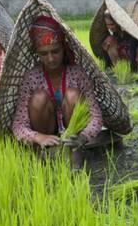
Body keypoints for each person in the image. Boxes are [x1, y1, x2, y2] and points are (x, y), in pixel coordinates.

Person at [12, 15, 103, 149]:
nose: (50, 59)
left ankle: (74, 149)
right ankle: (46, 150)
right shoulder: (32, 77)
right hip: (46, 131)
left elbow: (96, 116)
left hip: (75, 135)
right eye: (44, 53)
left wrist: (83, 137)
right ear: (37, 53)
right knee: (38, 98)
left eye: (55, 51)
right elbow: (18, 125)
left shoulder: (77, 74)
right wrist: (38, 137)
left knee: (73, 95)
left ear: (63, 49)